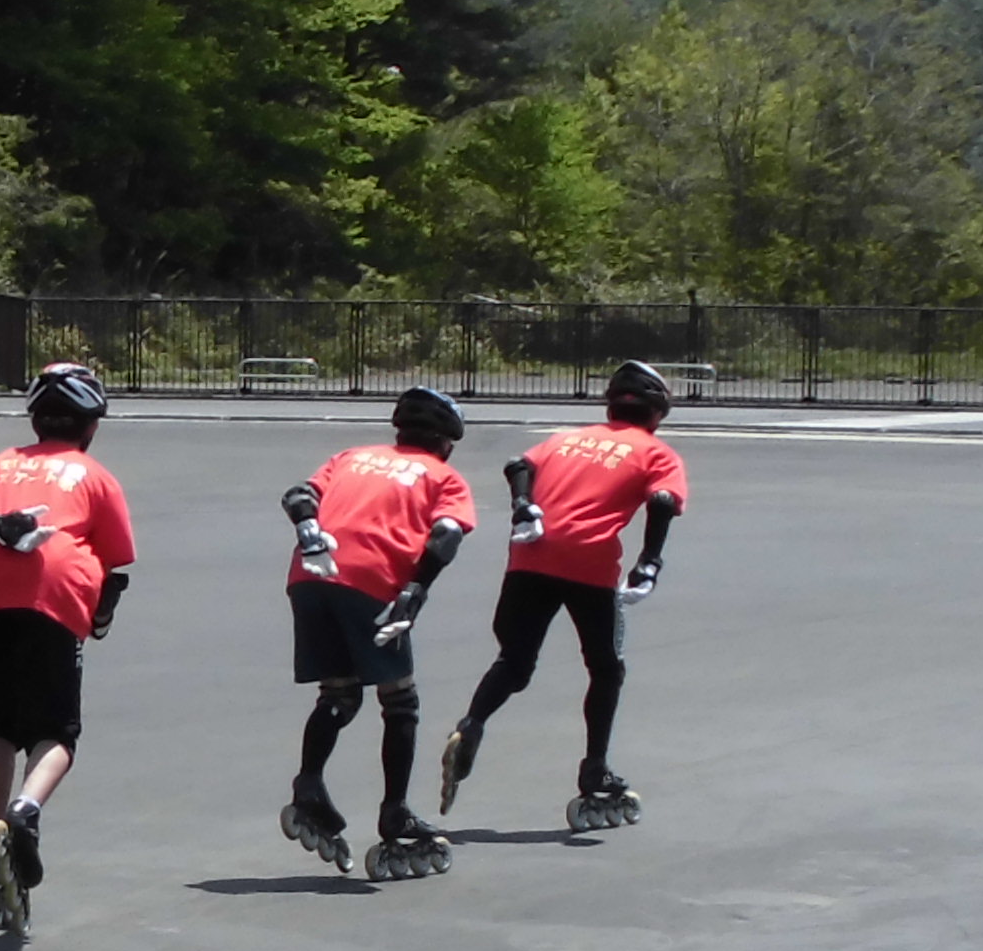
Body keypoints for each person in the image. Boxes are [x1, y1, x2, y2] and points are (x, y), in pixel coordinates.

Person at [0, 361, 137, 937]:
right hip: (54, 591)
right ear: (90, 426)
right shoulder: (93, 475)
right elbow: (115, 560)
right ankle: (25, 810)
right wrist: (100, 613)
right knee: (56, 731)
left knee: (0, 721)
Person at [440, 359, 689, 831]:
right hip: (589, 564)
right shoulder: (656, 452)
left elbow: (519, 465)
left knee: (514, 662)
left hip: (531, 556)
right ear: (657, 412)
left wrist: (522, 506)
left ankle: (472, 722)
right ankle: (594, 768)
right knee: (605, 668)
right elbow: (661, 500)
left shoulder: (566, 439)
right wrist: (649, 561)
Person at [281, 386, 478, 883]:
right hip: (372, 582)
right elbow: (447, 534)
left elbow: (299, 496)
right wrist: (417, 588)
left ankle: (308, 784)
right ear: (446, 443)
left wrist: (308, 530)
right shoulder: (444, 475)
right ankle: (395, 811)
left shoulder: (352, 457)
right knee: (400, 701)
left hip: (309, 577)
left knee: (340, 694)